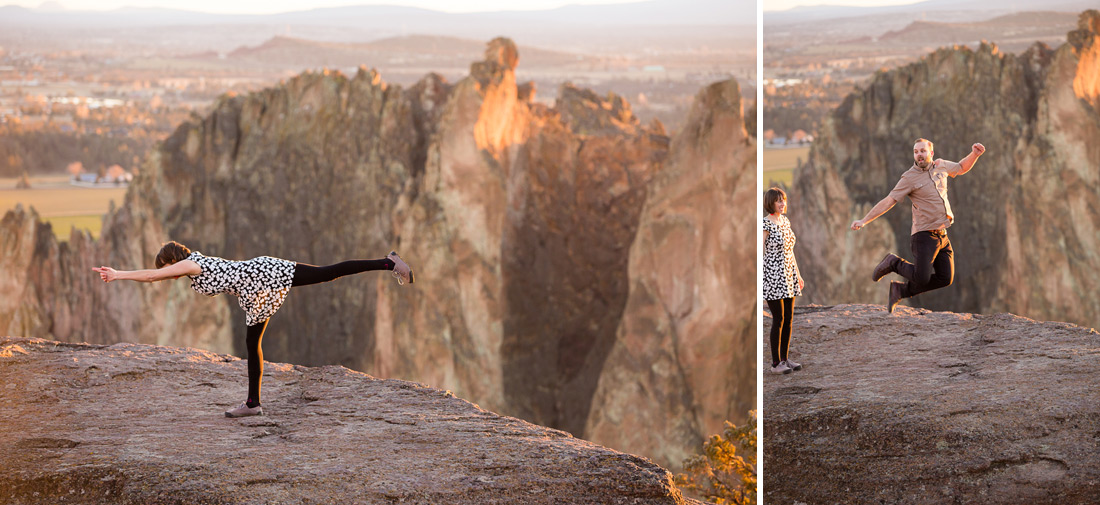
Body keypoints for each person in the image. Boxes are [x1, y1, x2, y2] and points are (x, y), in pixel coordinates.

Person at [92, 241, 414, 418]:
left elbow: (150, 277)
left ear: (172, 260)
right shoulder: (194, 264)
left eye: (167, 268)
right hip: (255, 288)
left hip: (264, 274)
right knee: (251, 344)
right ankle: (253, 404)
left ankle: (388, 262)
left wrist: (118, 274)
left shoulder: (191, 265)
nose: (167, 276)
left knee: (327, 274)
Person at [850, 138, 985, 313]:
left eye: (922, 151)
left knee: (945, 278)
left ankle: (900, 291)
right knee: (922, 278)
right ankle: (893, 262)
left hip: (942, 234)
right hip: (924, 236)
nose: (919, 155)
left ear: (931, 153)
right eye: (916, 152)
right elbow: (889, 201)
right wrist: (864, 220)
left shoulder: (941, 166)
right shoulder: (909, 177)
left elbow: (961, 168)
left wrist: (975, 154)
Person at [762, 187, 804, 375]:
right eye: (779, 200)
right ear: (770, 203)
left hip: (788, 274)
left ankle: (785, 359)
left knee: (788, 318)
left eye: (784, 200)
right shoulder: (765, 224)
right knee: (778, 319)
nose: (782, 203)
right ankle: (775, 363)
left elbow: (790, 250)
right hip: (772, 275)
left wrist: (798, 274)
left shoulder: (785, 221)